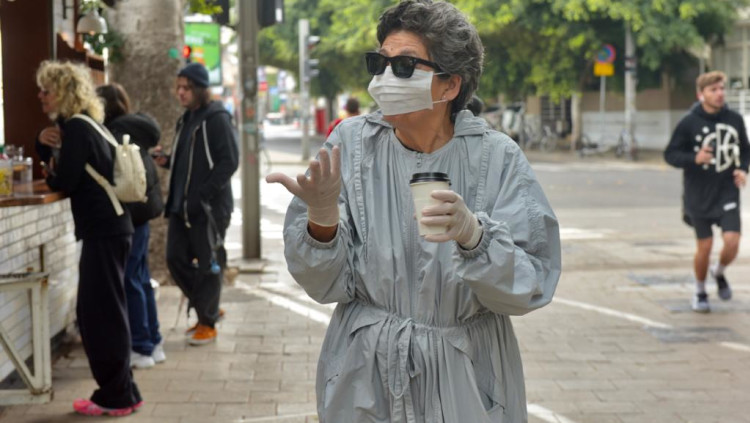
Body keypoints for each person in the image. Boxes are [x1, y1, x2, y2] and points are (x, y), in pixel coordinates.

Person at [266, 1, 561, 421]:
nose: (385, 79)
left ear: (450, 85)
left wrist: (476, 239)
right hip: (365, 377)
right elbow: (325, 286)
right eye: (379, 63)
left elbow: (531, 284)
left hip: (467, 376)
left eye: (404, 66)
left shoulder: (497, 158)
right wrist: (322, 222)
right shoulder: (350, 146)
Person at [35, 61, 143, 416]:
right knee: (105, 311)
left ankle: (116, 396)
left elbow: (65, 180)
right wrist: (44, 145)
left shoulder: (78, 129)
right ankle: (124, 391)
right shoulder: (87, 124)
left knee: (98, 315)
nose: (41, 97)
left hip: (104, 230)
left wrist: (47, 166)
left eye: (47, 91)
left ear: (64, 93)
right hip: (112, 228)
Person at [154, 63, 239, 345]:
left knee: (208, 263)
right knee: (174, 259)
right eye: (178, 87)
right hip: (181, 207)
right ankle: (208, 306)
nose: (181, 92)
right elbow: (190, 163)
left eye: (187, 88)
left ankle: (207, 321)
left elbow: (229, 161)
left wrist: (204, 194)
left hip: (208, 208)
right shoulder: (186, 119)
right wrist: (167, 161)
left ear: (201, 89)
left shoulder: (216, 118)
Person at [664, 71, 749, 313]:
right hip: (698, 194)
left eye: (721, 88)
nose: (720, 93)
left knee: (732, 241)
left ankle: (718, 272)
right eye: (713, 90)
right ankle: (700, 291)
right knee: (705, 245)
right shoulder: (689, 123)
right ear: (701, 94)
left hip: (727, 191)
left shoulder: (734, 119)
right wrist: (695, 158)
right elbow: (670, 154)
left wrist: (743, 170)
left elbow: (745, 150)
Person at [96, 83, 166, 368]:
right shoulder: (137, 128)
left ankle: (141, 346)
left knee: (131, 281)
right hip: (143, 213)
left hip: (129, 214)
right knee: (141, 278)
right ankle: (154, 342)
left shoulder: (112, 133)